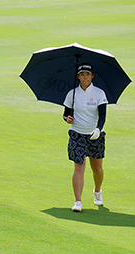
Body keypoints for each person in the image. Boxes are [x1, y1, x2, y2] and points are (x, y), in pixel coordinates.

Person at [63, 62, 108, 212]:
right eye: (82, 75)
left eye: (87, 74)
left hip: (95, 135)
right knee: (78, 166)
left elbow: (102, 115)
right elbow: (66, 113)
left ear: (92, 76)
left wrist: (98, 129)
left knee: (97, 169)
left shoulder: (99, 93)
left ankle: (97, 190)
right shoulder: (72, 93)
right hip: (77, 134)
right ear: (78, 77)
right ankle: (78, 201)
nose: (85, 77)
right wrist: (67, 119)